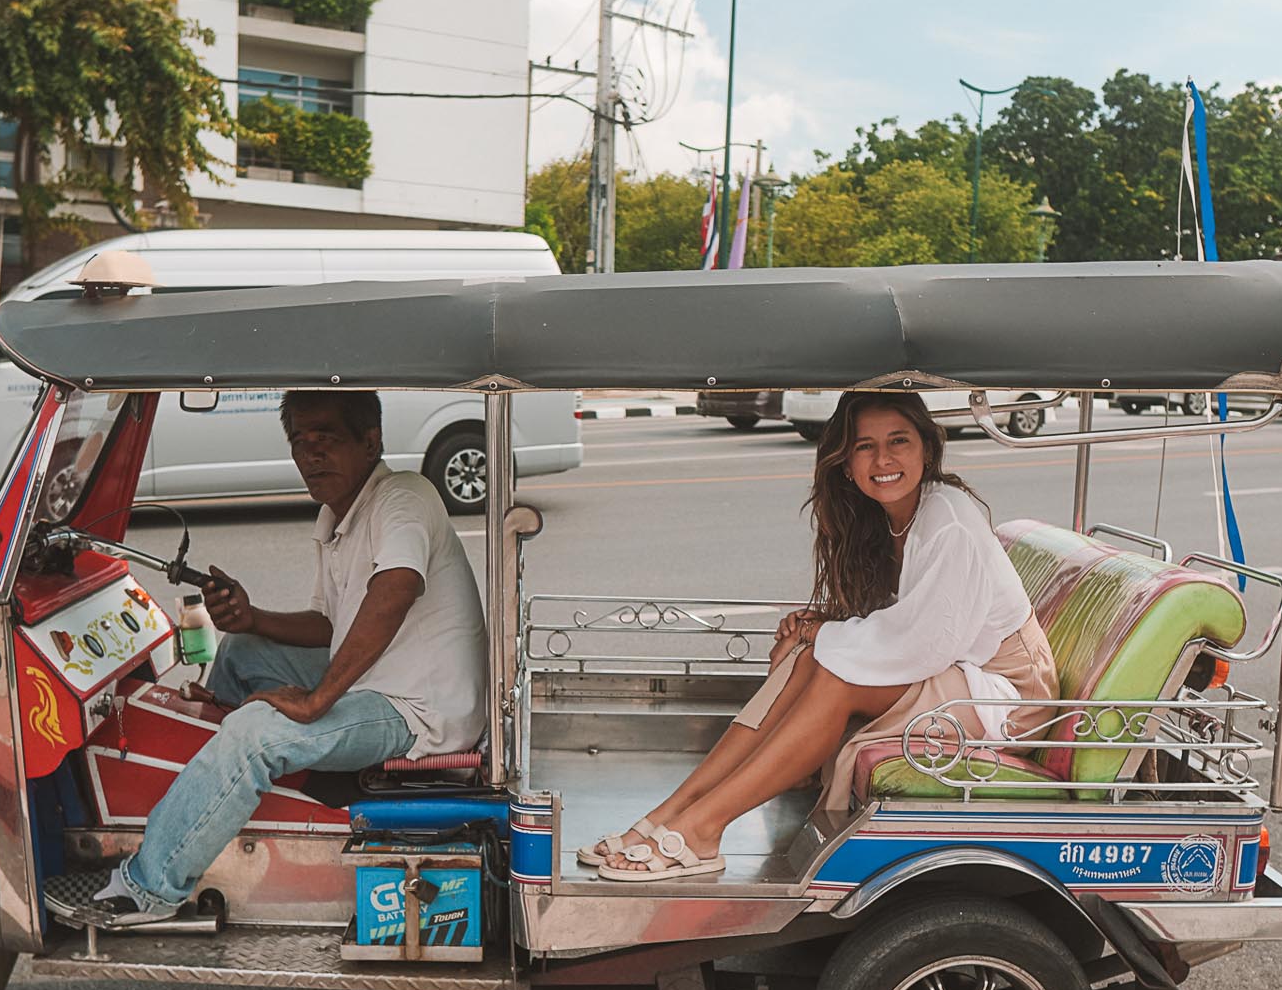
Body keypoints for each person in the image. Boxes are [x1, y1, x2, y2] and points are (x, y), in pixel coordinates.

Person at [588, 390, 1056, 882]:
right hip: (957, 669)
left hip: (1008, 696)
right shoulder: (889, 517)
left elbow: (924, 643)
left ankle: (703, 828)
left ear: (927, 448)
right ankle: (675, 811)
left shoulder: (949, 519)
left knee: (835, 674)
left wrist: (826, 634)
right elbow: (902, 623)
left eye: (899, 441)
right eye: (865, 446)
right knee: (811, 657)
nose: (883, 459)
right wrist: (819, 631)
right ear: (846, 463)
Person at [83, 390, 488, 925]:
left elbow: (394, 590)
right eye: (300, 441)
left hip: (418, 710)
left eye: (327, 438)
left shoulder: (402, 497)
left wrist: (317, 702)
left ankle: (149, 888)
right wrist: (251, 618)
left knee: (254, 732)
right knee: (241, 650)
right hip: (381, 676)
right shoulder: (339, 516)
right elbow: (330, 625)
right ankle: (216, 792)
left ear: (371, 442)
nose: (311, 454)